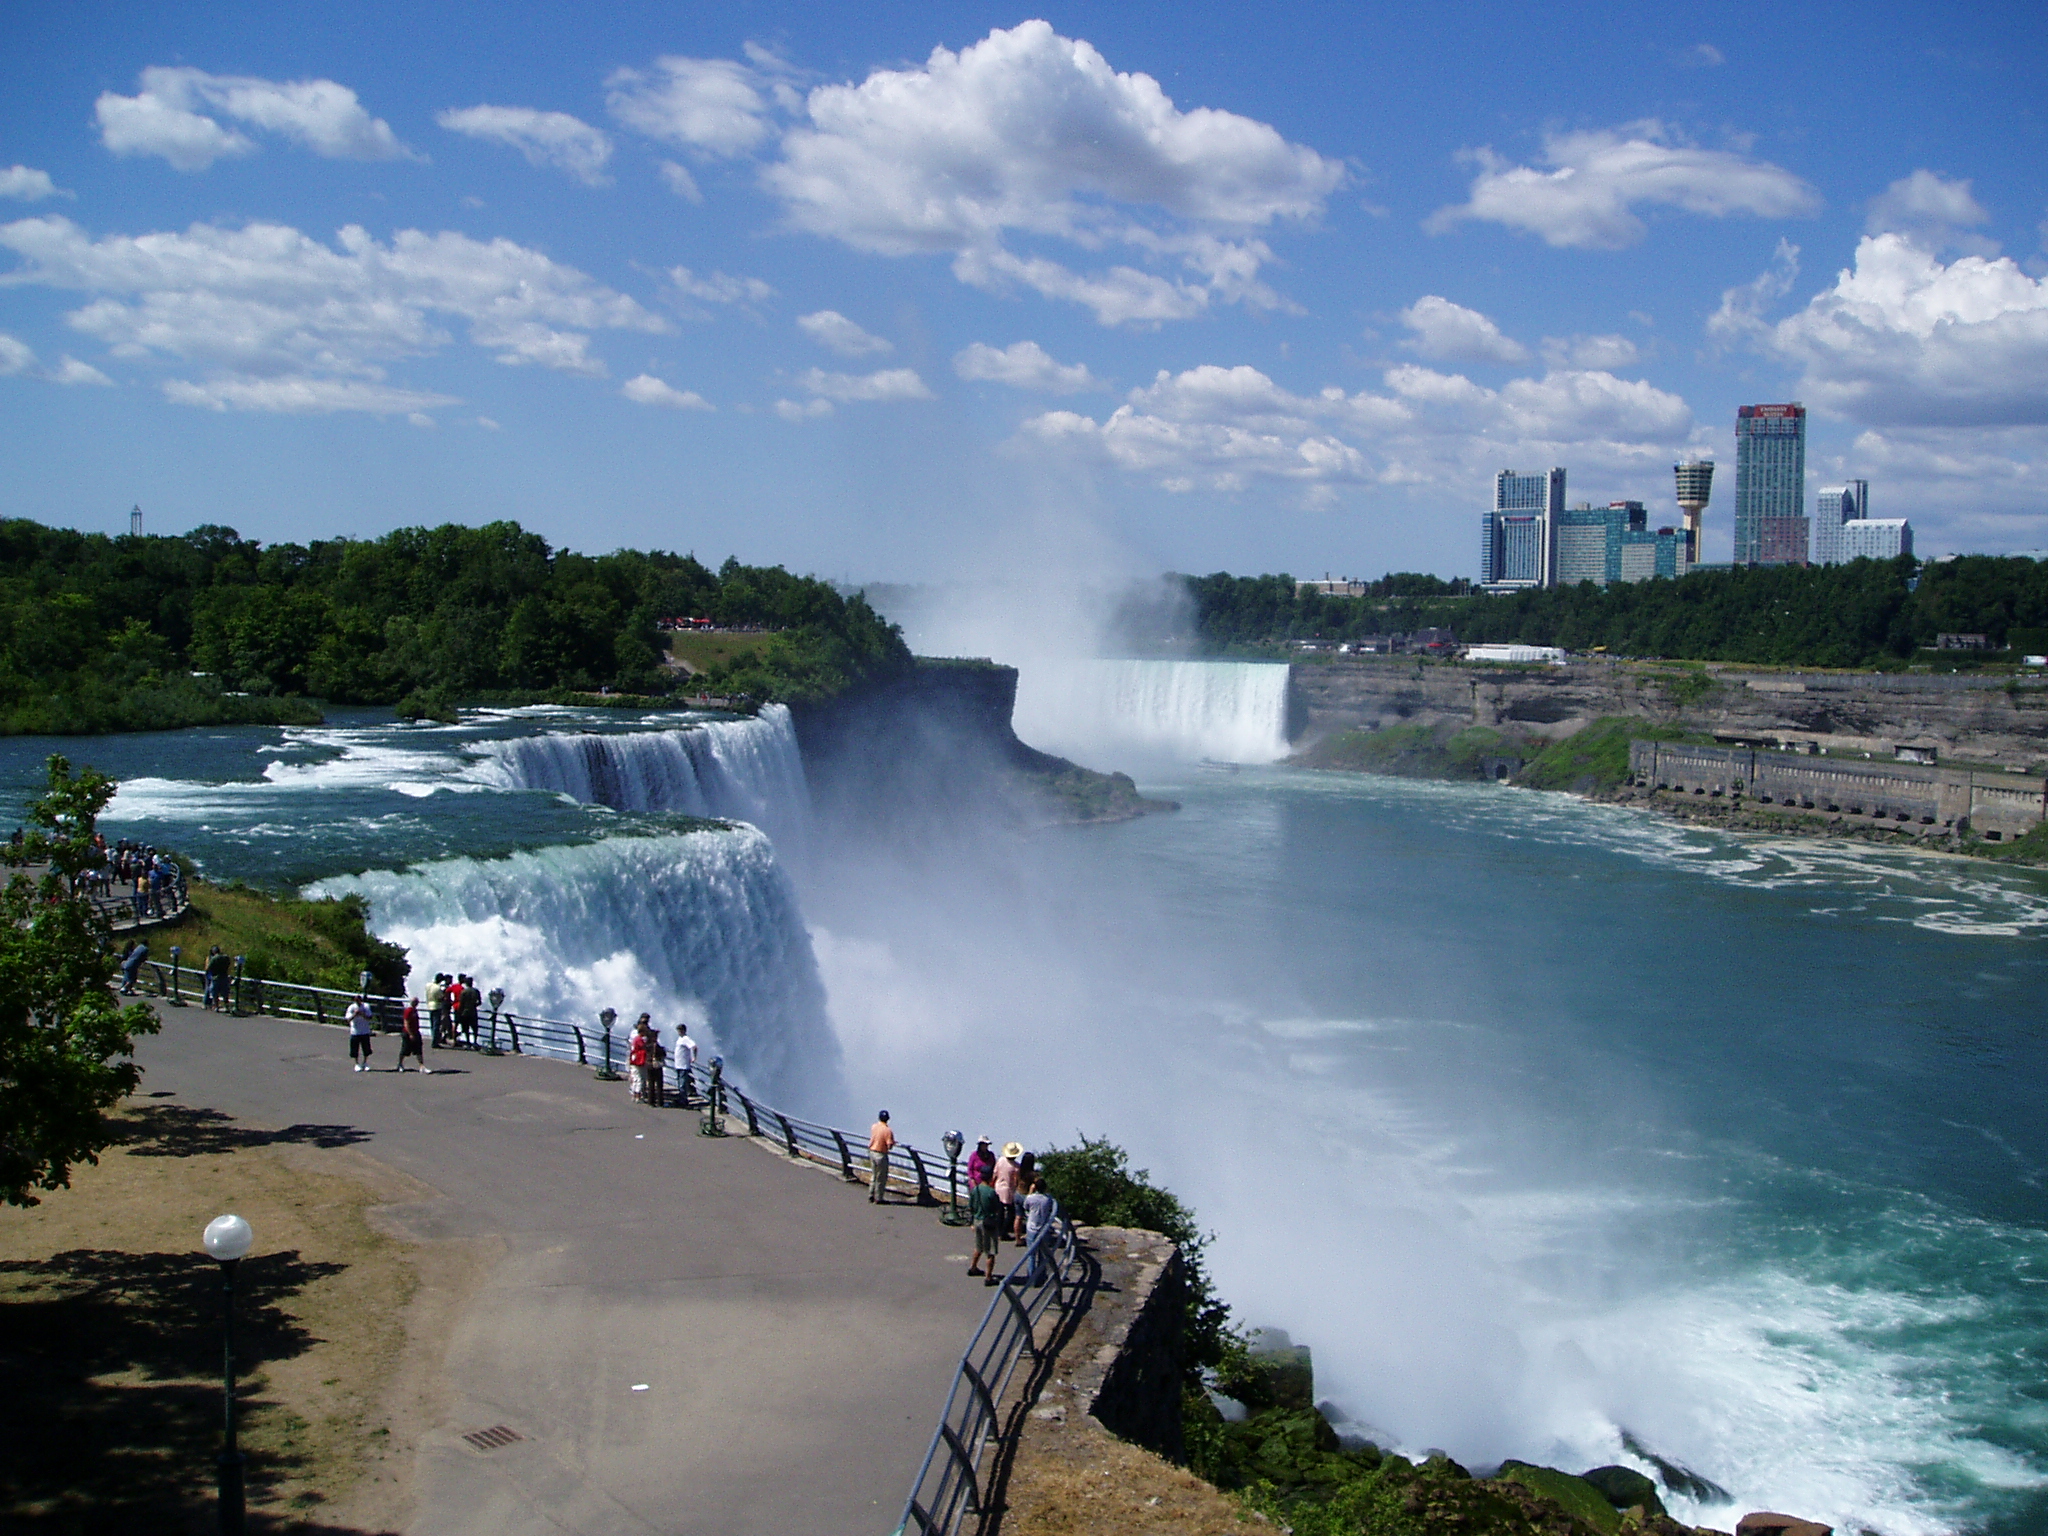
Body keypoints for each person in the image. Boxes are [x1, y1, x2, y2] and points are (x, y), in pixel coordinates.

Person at [967, 1169, 1004, 1285]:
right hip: (988, 1223)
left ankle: (973, 1267)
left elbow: (971, 1206)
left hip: (977, 1221)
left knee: (978, 1247)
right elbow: (997, 1208)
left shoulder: (975, 1190)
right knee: (990, 1251)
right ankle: (988, 1277)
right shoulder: (991, 1192)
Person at [1023, 1176, 1056, 1284]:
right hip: (1044, 1228)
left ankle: (1032, 1277)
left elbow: (1025, 1206)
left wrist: (1030, 1192)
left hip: (1032, 1228)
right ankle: (1041, 1276)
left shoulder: (1030, 1198)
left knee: (1031, 1254)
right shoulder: (1048, 1199)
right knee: (1043, 1254)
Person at [994, 1141, 1023, 1243]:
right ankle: (1004, 1231)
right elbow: (1016, 1181)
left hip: (998, 1187)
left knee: (1000, 1211)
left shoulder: (1001, 1160)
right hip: (1008, 1190)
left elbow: (995, 1174)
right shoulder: (1015, 1167)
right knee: (1011, 1212)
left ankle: (998, 1230)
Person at [868, 1110, 896, 1204]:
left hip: (872, 1151)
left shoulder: (874, 1127)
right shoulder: (888, 1130)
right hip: (881, 1154)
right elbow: (889, 1146)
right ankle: (879, 1198)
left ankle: (871, 1195)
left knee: (874, 1175)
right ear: (888, 1119)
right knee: (881, 1177)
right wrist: (892, 1142)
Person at [345, 995, 375, 1072]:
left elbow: (369, 1017)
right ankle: (356, 1063)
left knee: (366, 1049)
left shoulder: (366, 1006)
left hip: (365, 1031)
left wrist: (362, 1014)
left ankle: (365, 1063)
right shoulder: (351, 1007)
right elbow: (348, 1019)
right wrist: (355, 1014)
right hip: (355, 1031)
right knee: (355, 1049)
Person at [398, 997, 428, 1072]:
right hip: (408, 1033)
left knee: (418, 1049)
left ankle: (422, 1066)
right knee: (405, 1049)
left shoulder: (415, 1011)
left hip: (416, 1032)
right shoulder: (408, 1011)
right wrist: (410, 1034)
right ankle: (400, 1064)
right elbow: (406, 1023)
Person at [1013, 1151, 1038, 1241]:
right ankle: (1029, 1237)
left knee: (1018, 1217)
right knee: (1030, 1218)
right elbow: (1035, 1185)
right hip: (1026, 1196)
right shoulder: (1033, 1174)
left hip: (1017, 1193)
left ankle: (1017, 1238)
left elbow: (1015, 1182)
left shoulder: (1019, 1171)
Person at [628, 1015, 654, 1102]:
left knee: (636, 1078)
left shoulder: (635, 1037)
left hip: (634, 1059)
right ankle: (638, 1096)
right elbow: (645, 1047)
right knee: (640, 1079)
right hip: (639, 1060)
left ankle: (635, 1095)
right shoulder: (638, 1038)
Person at [672, 1022, 698, 1105]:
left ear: (683, 1030)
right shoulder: (680, 1039)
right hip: (679, 1064)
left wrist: (694, 1057)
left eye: (680, 1030)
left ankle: (683, 1100)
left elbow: (694, 1047)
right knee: (680, 1083)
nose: (678, 1032)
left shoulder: (686, 1039)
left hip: (683, 1065)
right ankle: (681, 1098)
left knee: (682, 1084)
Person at [456, 976, 481, 1047]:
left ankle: (468, 1041)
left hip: (465, 1012)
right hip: (473, 1012)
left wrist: (459, 1012)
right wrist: (474, 1005)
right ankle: (475, 1041)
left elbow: (461, 1003)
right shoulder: (476, 991)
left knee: (466, 1028)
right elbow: (479, 1002)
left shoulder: (464, 992)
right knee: (474, 1028)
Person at [426, 973, 448, 1048]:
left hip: (429, 1005)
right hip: (436, 1006)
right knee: (436, 1025)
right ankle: (435, 1042)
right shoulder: (437, 988)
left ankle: (434, 1039)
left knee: (432, 1024)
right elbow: (440, 998)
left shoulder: (428, 985)